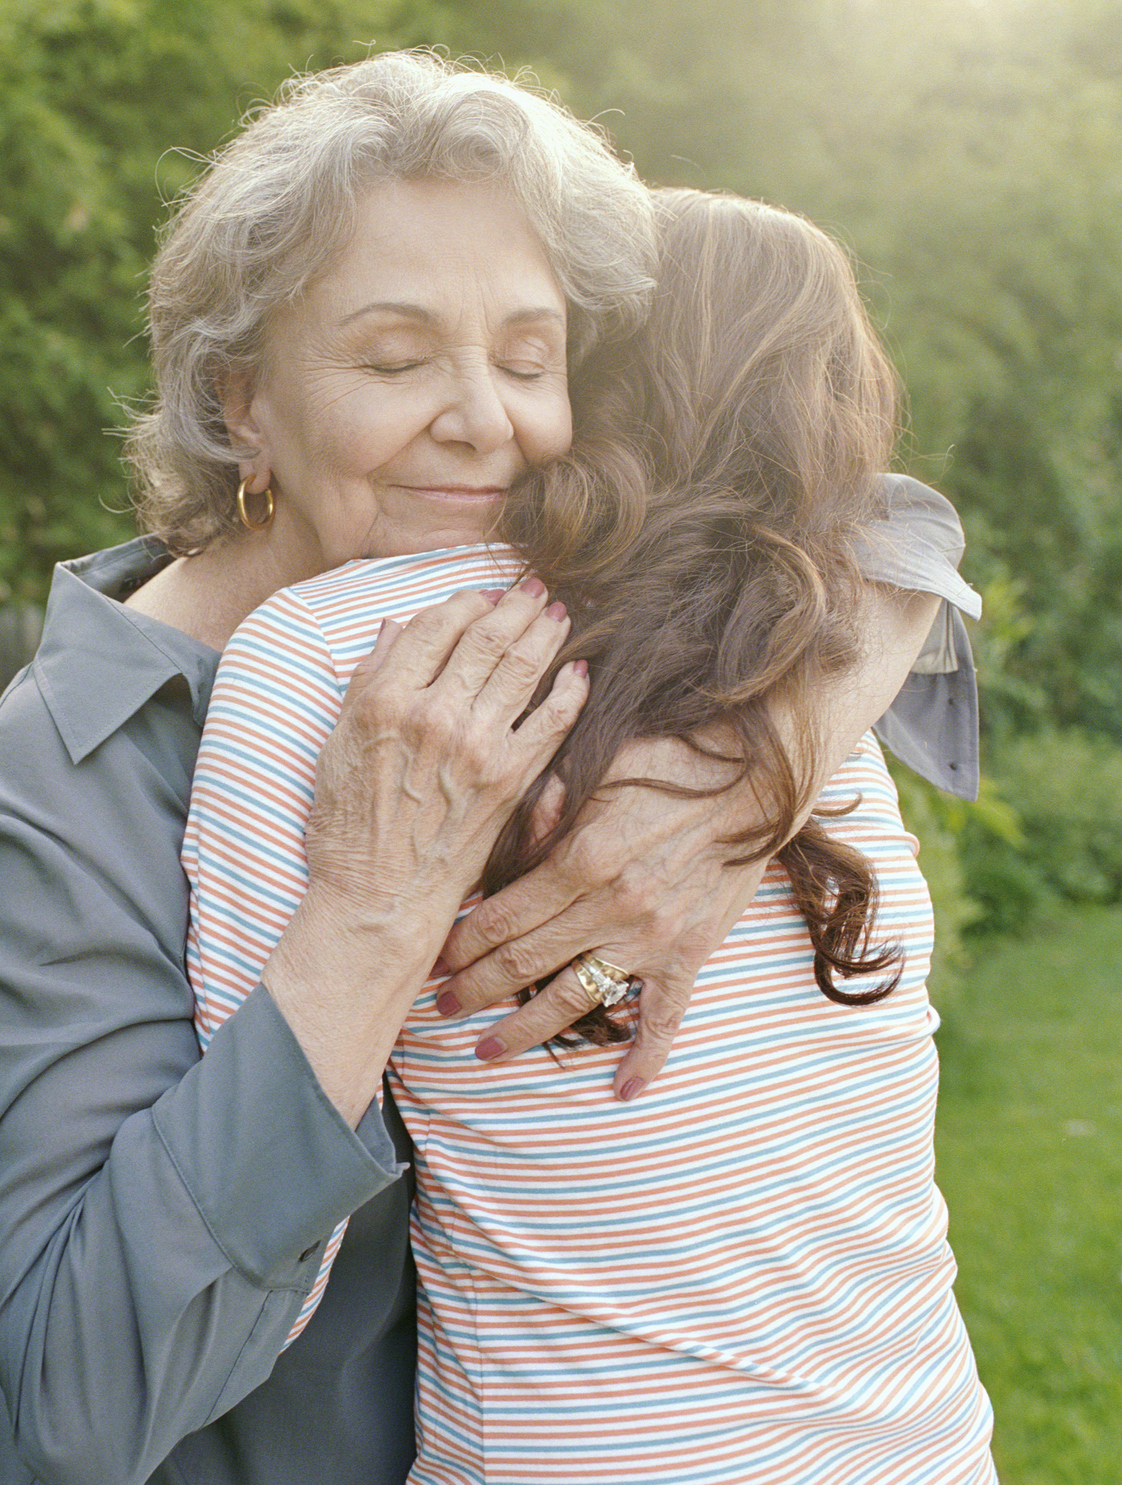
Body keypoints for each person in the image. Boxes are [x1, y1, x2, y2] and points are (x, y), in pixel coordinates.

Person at [0, 52, 981, 1485]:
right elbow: (71, 1410)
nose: (485, 419)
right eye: (395, 359)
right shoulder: (63, 788)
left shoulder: (541, 607)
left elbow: (879, 524)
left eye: (531, 359)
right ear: (245, 406)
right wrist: (368, 918)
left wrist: (744, 781)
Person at [184, 186, 994, 1483]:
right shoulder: (821, 668)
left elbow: (242, 1208)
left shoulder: (333, 652)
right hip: (923, 1439)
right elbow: (900, 524)